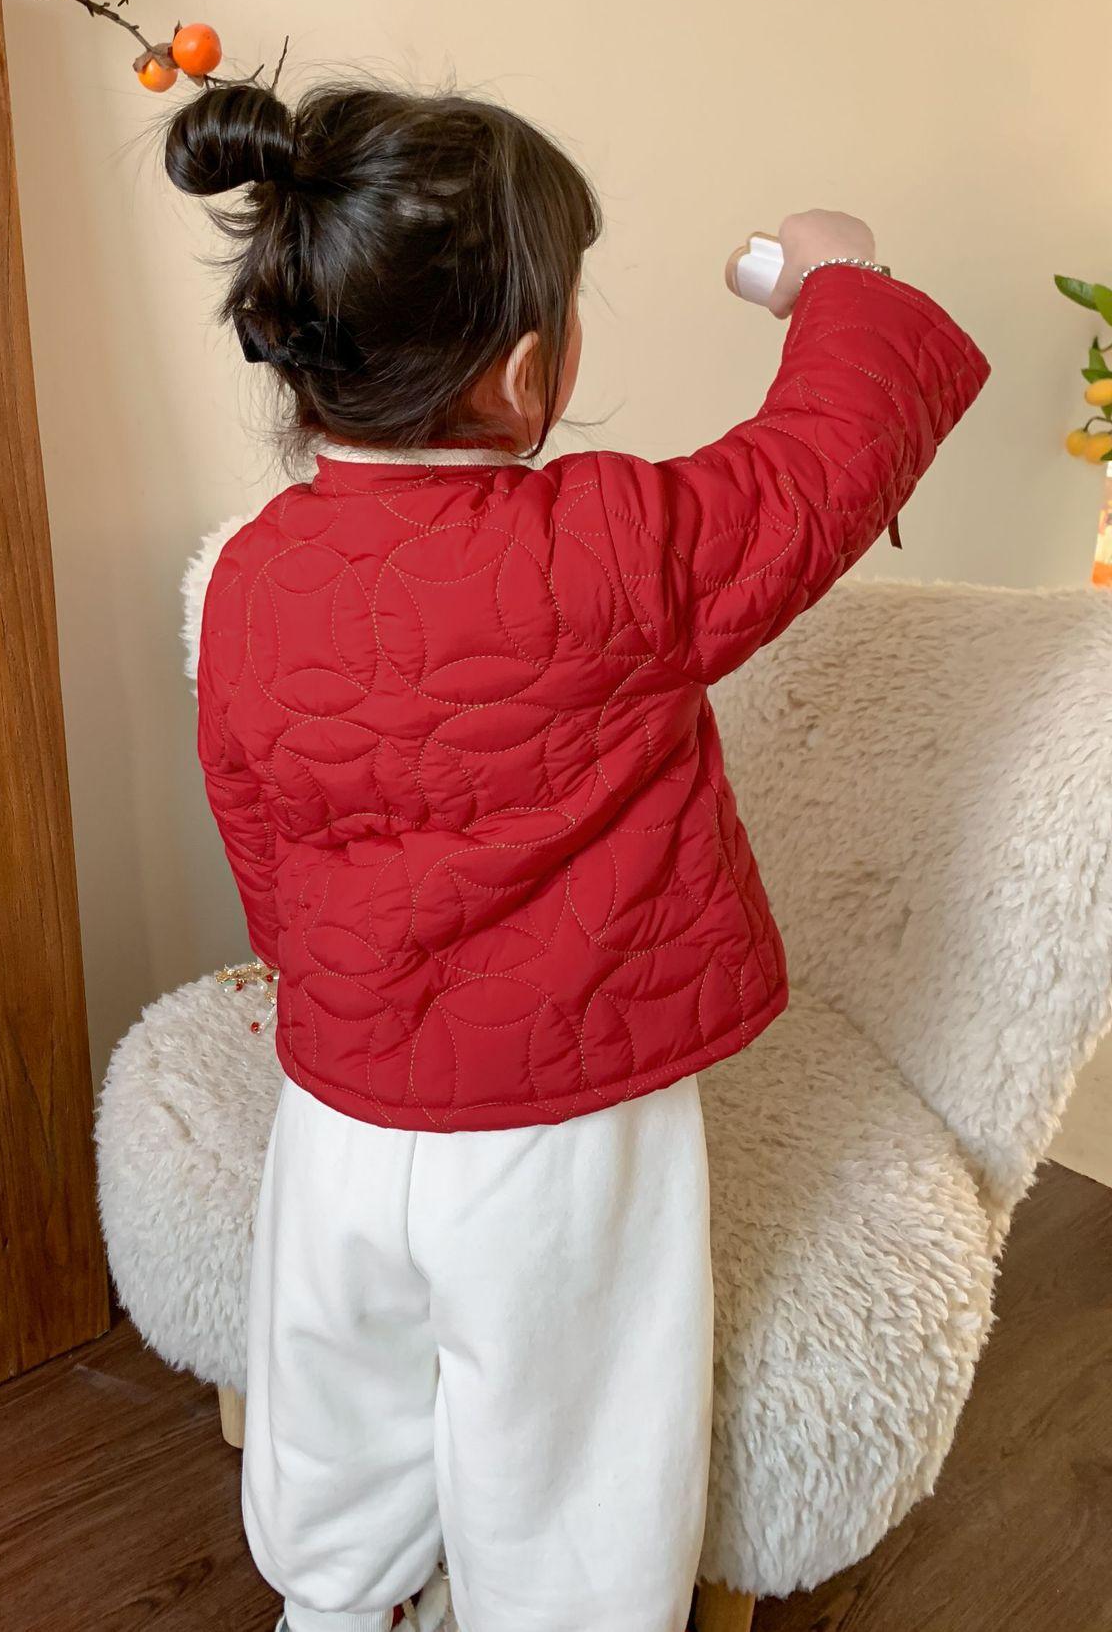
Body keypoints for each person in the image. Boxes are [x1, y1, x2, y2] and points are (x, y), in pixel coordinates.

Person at [167, 80, 989, 1632]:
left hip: (340, 1112)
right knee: (574, 1441)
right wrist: (839, 275)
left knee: (337, 1386)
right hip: (561, 1135)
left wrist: (311, 973)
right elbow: (824, 458)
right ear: (528, 372)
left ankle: (332, 1604)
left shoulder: (256, 576)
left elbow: (251, 811)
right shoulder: (619, 551)